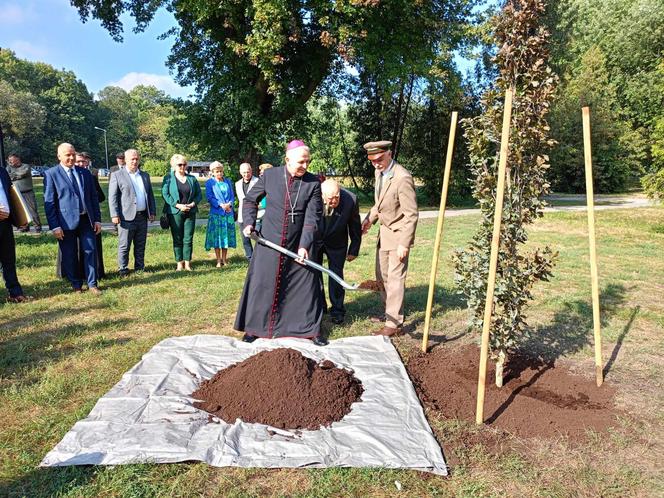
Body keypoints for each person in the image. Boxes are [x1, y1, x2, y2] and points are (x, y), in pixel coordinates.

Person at [234, 140, 326, 346]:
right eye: (301, 162)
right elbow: (250, 200)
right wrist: (249, 223)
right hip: (269, 242)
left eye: (308, 162)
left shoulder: (313, 183)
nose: (305, 166)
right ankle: (254, 328)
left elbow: (313, 218)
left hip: (298, 244)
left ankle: (310, 329)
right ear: (287, 160)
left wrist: (305, 245)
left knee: (306, 287)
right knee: (262, 284)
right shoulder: (271, 176)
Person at [360, 140, 418, 336]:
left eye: (379, 159)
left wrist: (405, 243)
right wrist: (369, 220)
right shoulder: (380, 173)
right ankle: (389, 314)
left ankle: (394, 325)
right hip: (383, 236)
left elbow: (411, 214)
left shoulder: (402, 177)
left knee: (394, 279)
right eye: (372, 161)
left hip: (398, 236)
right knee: (382, 278)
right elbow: (380, 203)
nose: (376, 164)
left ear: (389, 153)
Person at [44, 143, 103, 294]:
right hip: (65, 222)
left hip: (86, 220)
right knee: (69, 254)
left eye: (72, 154)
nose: (71, 158)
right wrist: (55, 226)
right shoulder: (51, 174)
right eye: (67, 155)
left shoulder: (85, 173)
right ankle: (76, 285)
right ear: (59, 156)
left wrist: (97, 219)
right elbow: (49, 203)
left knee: (90, 250)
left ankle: (92, 283)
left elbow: (93, 198)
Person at [313, 179, 362, 324]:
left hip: (337, 242)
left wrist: (354, 249)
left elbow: (355, 225)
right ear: (322, 195)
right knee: (314, 275)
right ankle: (319, 307)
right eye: (330, 198)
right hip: (315, 241)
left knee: (336, 275)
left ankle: (337, 310)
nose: (334, 200)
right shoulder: (313, 196)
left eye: (337, 196)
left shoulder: (350, 199)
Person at [56, 152, 107, 279]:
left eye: (83, 162)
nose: (80, 164)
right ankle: (72, 275)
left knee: (90, 249)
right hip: (69, 219)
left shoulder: (89, 175)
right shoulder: (60, 174)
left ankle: (92, 276)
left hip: (88, 217)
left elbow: (99, 196)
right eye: (78, 161)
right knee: (71, 250)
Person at [108, 149, 156, 276]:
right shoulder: (117, 175)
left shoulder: (145, 175)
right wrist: (114, 214)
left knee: (141, 244)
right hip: (125, 217)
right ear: (125, 160)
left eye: (136, 159)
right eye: (132, 159)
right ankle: (123, 268)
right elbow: (112, 197)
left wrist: (152, 211)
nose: (135, 161)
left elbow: (150, 195)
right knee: (124, 245)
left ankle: (139, 267)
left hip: (142, 216)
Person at [162, 154, 202, 271]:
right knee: (177, 238)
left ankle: (188, 263)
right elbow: (165, 195)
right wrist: (178, 205)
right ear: (174, 166)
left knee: (188, 238)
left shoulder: (192, 179)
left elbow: (199, 194)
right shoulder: (168, 178)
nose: (182, 167)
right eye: (180, 165)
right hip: (175, 212)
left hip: (190, 211)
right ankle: (179, 263)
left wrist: (192, 204)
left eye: (185, 164)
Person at [0, 166, 32, 302]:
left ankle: (15, 293)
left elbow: (10, 196)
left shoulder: (2, 171)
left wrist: (19, 219)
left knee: (9, 260)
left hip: (5, 224)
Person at [205, 162, 236, 267]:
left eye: (221, 171)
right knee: (217, 237)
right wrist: (220, 205)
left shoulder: (228, 181)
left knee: (225, 236)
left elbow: (232, 196)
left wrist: (229, 204)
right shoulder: (210, 183)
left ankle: (224, 259)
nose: (219, 173)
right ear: (213, 172)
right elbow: (209, 197)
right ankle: (218, 260)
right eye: (217, 171)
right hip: (216, 213)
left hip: (228, 213)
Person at [6, 153, 42, 233]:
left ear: (17, 159)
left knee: (32, 210)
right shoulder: (9, 168)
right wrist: (15, 176)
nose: (10, 162)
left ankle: (37, 227)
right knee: (20, 211)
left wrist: (14, 176)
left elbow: (22, 173)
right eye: (9, 160)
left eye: (12, 160)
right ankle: (24, 227)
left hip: (28, 192)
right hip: (16, 193)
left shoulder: (26, 166)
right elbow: (8, 176)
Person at [235, 162, 258, 260]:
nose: (246, 174)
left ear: (251, 171)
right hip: (242, 215)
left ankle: (259, 257)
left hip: (256, 214)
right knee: (245, 239)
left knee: (258, 238)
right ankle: (250, 258)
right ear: (240, 172)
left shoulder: (257, 181)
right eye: (244, 172)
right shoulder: (237, 184)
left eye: (248, 172)